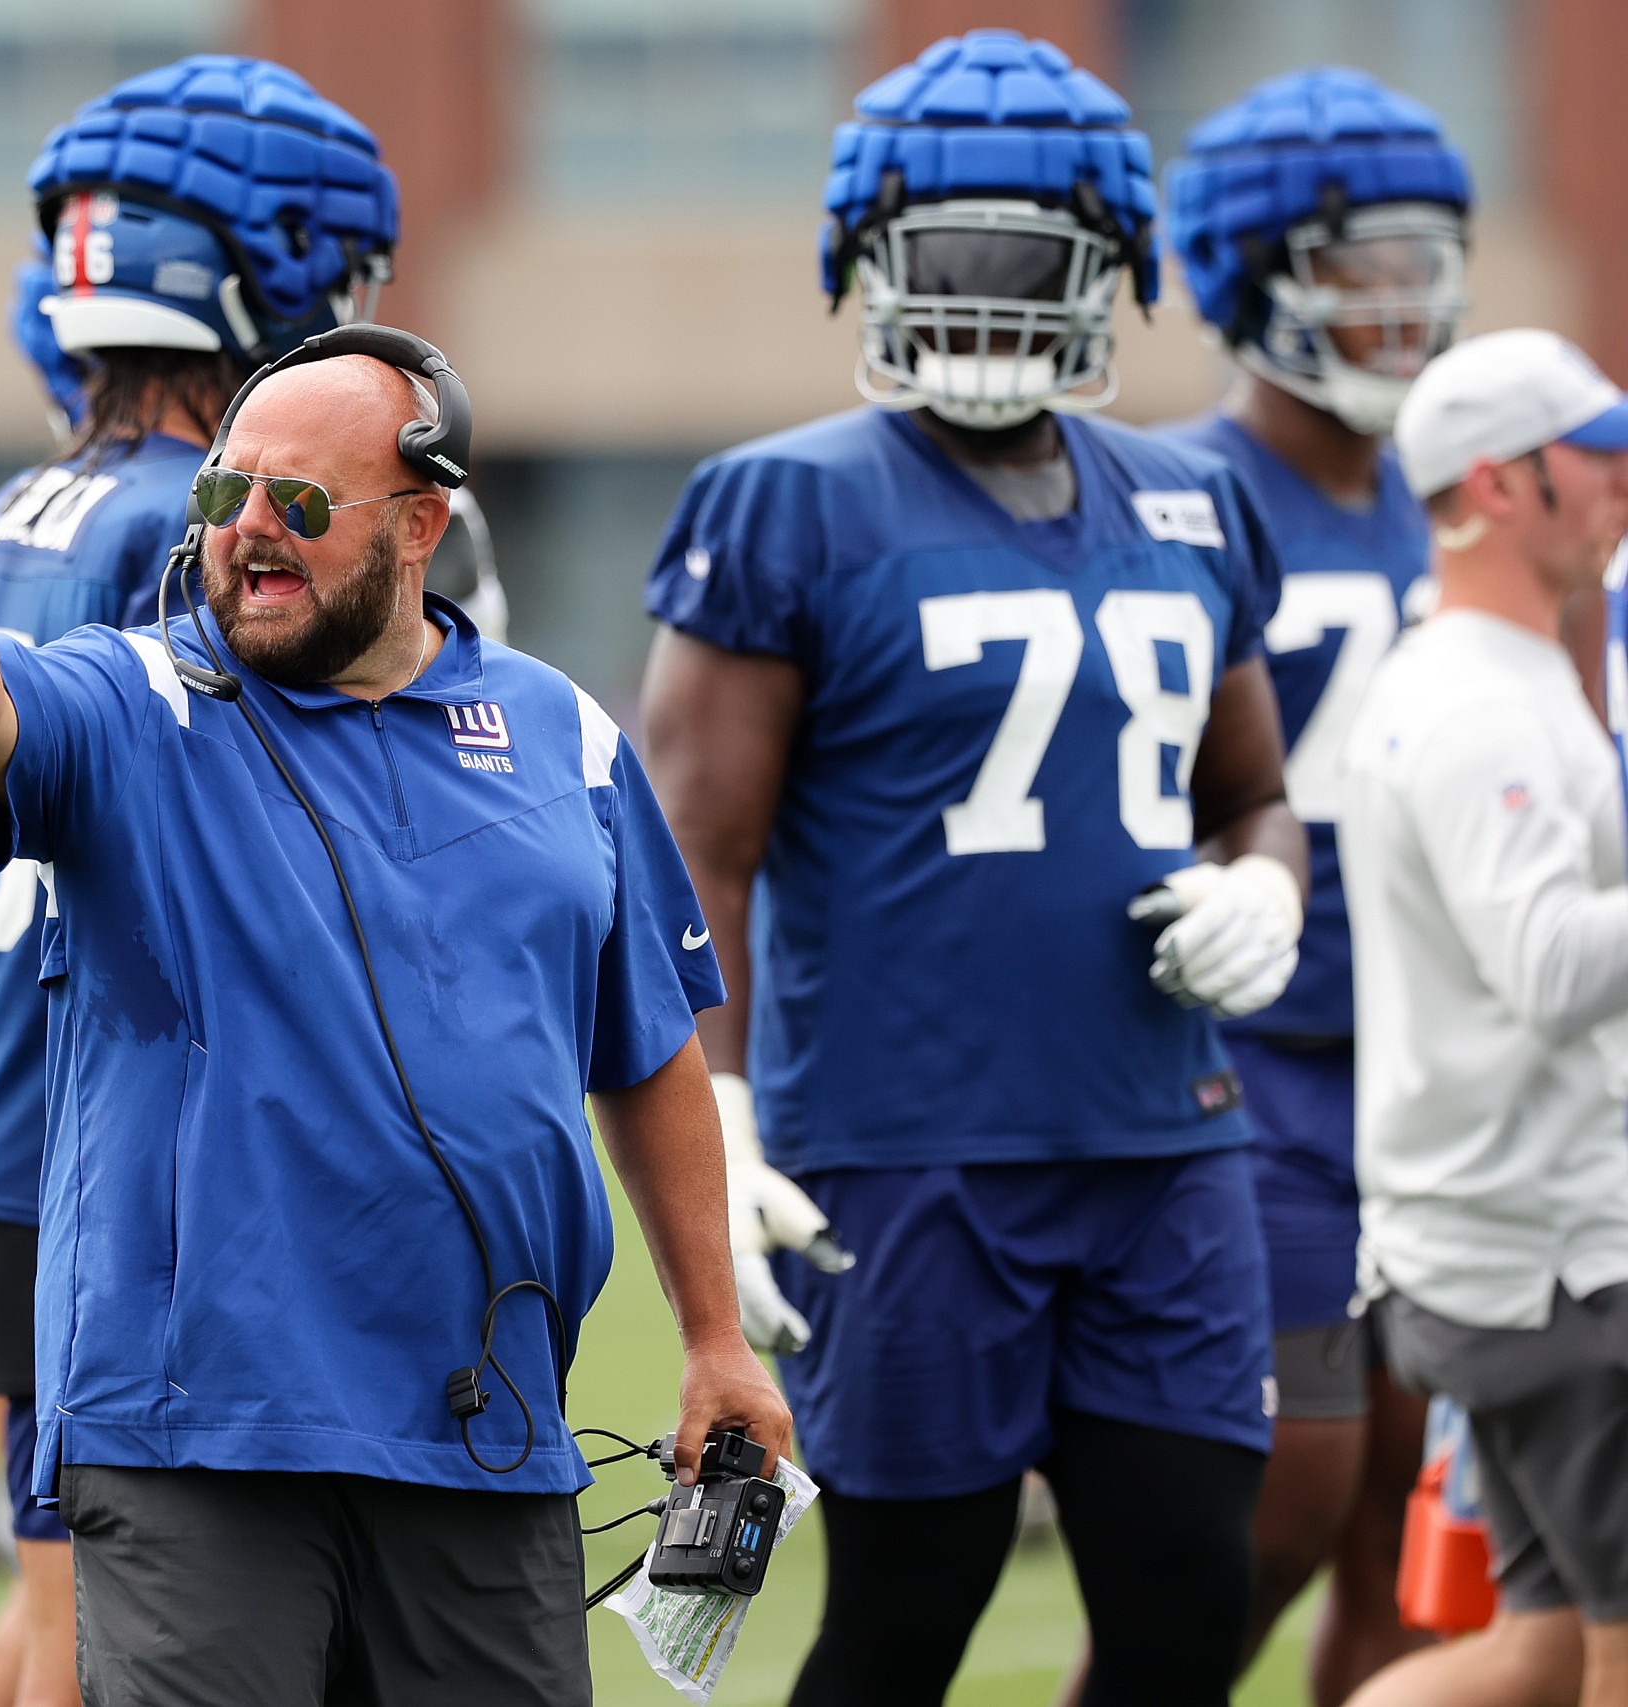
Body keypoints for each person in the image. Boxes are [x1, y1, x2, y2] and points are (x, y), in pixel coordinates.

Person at [0, 332, 786, 1704]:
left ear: (421, 523)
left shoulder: (563, 733)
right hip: (194, 1439)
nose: (247, 536)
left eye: (299, 505)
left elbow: (646, 1051)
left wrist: (713, 1335)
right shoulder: (139, 698)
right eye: (225, 497)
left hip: (486, 1428)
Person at [639, 30, 1308, 1707]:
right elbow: (689, 852)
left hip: (1165, 1144)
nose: (988, 298)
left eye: (1029, 258)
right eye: (943, 259)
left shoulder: (1189, 498)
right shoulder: (787, 501)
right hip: (909, 1152)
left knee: (1183, 1615)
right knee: (902, 1618)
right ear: (865, 264)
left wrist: (1270, 881)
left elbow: (1255, 794)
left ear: (1112, 266)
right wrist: (717, 1114)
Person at [0, 55, 405, 1707]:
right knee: (107, 1653)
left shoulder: (3, 515)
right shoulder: (226, 530)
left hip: (4, 1145)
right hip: (142, 1171)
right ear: (274, 271)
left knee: (64, 1627)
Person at [1153, 68, 1472, 1703]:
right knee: (1272, 1515)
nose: (1400, 300)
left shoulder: (1467, 497)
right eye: (1361, 261)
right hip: (1251, 1073)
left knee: (1427, 1556)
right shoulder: (1171, 493)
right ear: (1256, 268)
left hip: (1440, 1085)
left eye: (1425, 258)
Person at [1336, 327, 1628, 1707]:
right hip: (1557, 1259)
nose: (1626, 479)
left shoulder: (1479, 676)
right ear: (1504, 486)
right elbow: (1555, 966)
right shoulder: (1480, 706)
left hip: (1499, 1244)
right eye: (1602, 453)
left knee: (1540, 1645)